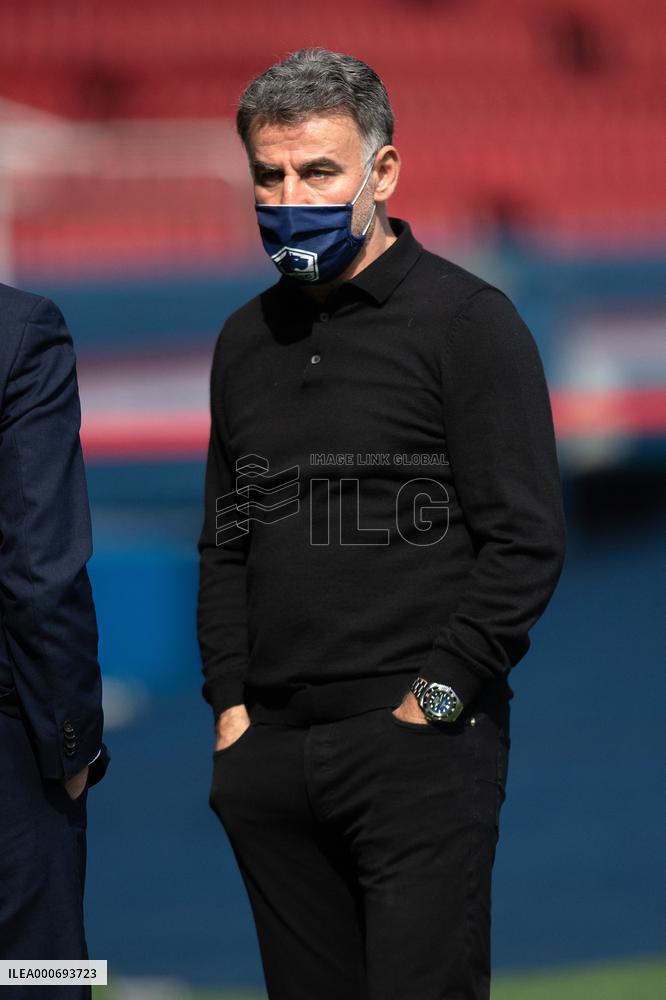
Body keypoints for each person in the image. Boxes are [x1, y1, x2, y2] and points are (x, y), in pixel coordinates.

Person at [197, 47, 566, 1000]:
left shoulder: (469, 321)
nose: (290, 196)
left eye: (318, 171)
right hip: (272, 757)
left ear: (383, 171)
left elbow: (525, 542)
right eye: (268, 176)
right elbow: (227, 539)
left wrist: (432, 708)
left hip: (416, 751)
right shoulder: (243, 340)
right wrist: (233, 715)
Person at [0, 284, 110, 999]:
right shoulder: (19, 328)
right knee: (39, 975)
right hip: (11, 762)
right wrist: (74, 744)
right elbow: (41, 572)